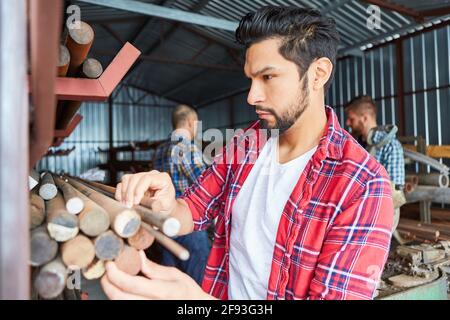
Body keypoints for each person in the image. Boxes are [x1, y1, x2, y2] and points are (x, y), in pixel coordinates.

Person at [101, 6, 394, 300]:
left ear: (317, 74)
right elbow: (193, 209)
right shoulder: (246, 143)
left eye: (268, 77)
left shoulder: (362, 184)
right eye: (251, 79)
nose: (252, 96)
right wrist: (166, 203)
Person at [151, 104, 211, 285]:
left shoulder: (160, 150)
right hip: (188, 225)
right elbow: (207, 186)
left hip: (163, 223)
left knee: (171, 282)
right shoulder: (187, 148)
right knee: (198, 283)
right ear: (192, 123)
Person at [345, 95, 405, 240]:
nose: (347, 123)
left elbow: (394, 192)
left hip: (381, 211)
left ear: (364, 118)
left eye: (351, 119)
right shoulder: (355, 145)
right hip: (357, 208)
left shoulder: (390, 145)